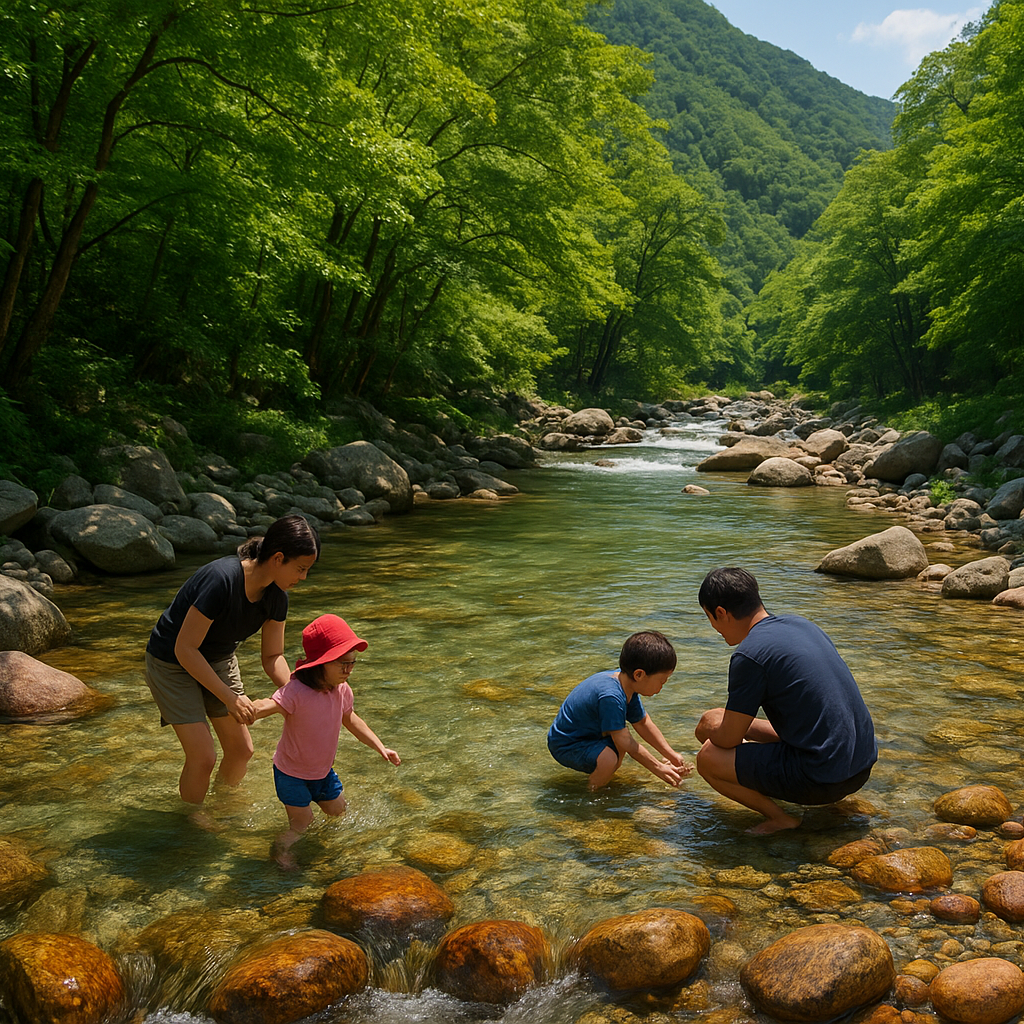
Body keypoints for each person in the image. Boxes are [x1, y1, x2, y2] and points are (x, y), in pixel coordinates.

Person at [145, 514, 320, 812]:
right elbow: (185, 648)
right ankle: (191, 821)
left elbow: (272, 657)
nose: (303, 578)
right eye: (301, 569)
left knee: (241, 750)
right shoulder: (221, 580)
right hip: (172, 661)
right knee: (203, 757)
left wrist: (301, 689)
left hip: (217, 658)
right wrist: (230, 698)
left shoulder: (277, 597)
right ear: (278, 558)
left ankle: (220, 807)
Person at [695, 567, 877, 835]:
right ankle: (771, 778)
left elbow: (728, 741)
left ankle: (781, 818)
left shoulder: (749, 655)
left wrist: (714, 730)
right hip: (860, 766)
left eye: (710, 618)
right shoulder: (803, 625)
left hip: (823, 779)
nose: (715, 629)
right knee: (715, 719)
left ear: (720, 612)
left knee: (708, 758)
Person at [252, 613, 400, 868]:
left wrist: (380, 746)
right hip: (291, 773)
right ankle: (280, 850)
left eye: (353, 663)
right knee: (302, 822)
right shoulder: (296, 691)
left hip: (322, 771)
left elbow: (351, 720)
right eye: (343, 663)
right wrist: (247, 709)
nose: (349, 670)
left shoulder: (342, 690)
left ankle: (333, 851)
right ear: (322, 662)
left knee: (338, 811)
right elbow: (269, 705)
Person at [547, 631, 693, 791]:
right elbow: (624, 741)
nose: (661, 687)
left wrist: (672, 755)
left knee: (618, 748)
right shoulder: (611, 696)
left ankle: (603, 780)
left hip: (589, 736)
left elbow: (643, 723)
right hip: (566, 743)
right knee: (611, 756)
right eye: (662, 681)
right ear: (639, 674)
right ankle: (592, 794)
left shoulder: (626, 684)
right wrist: (658, 768)